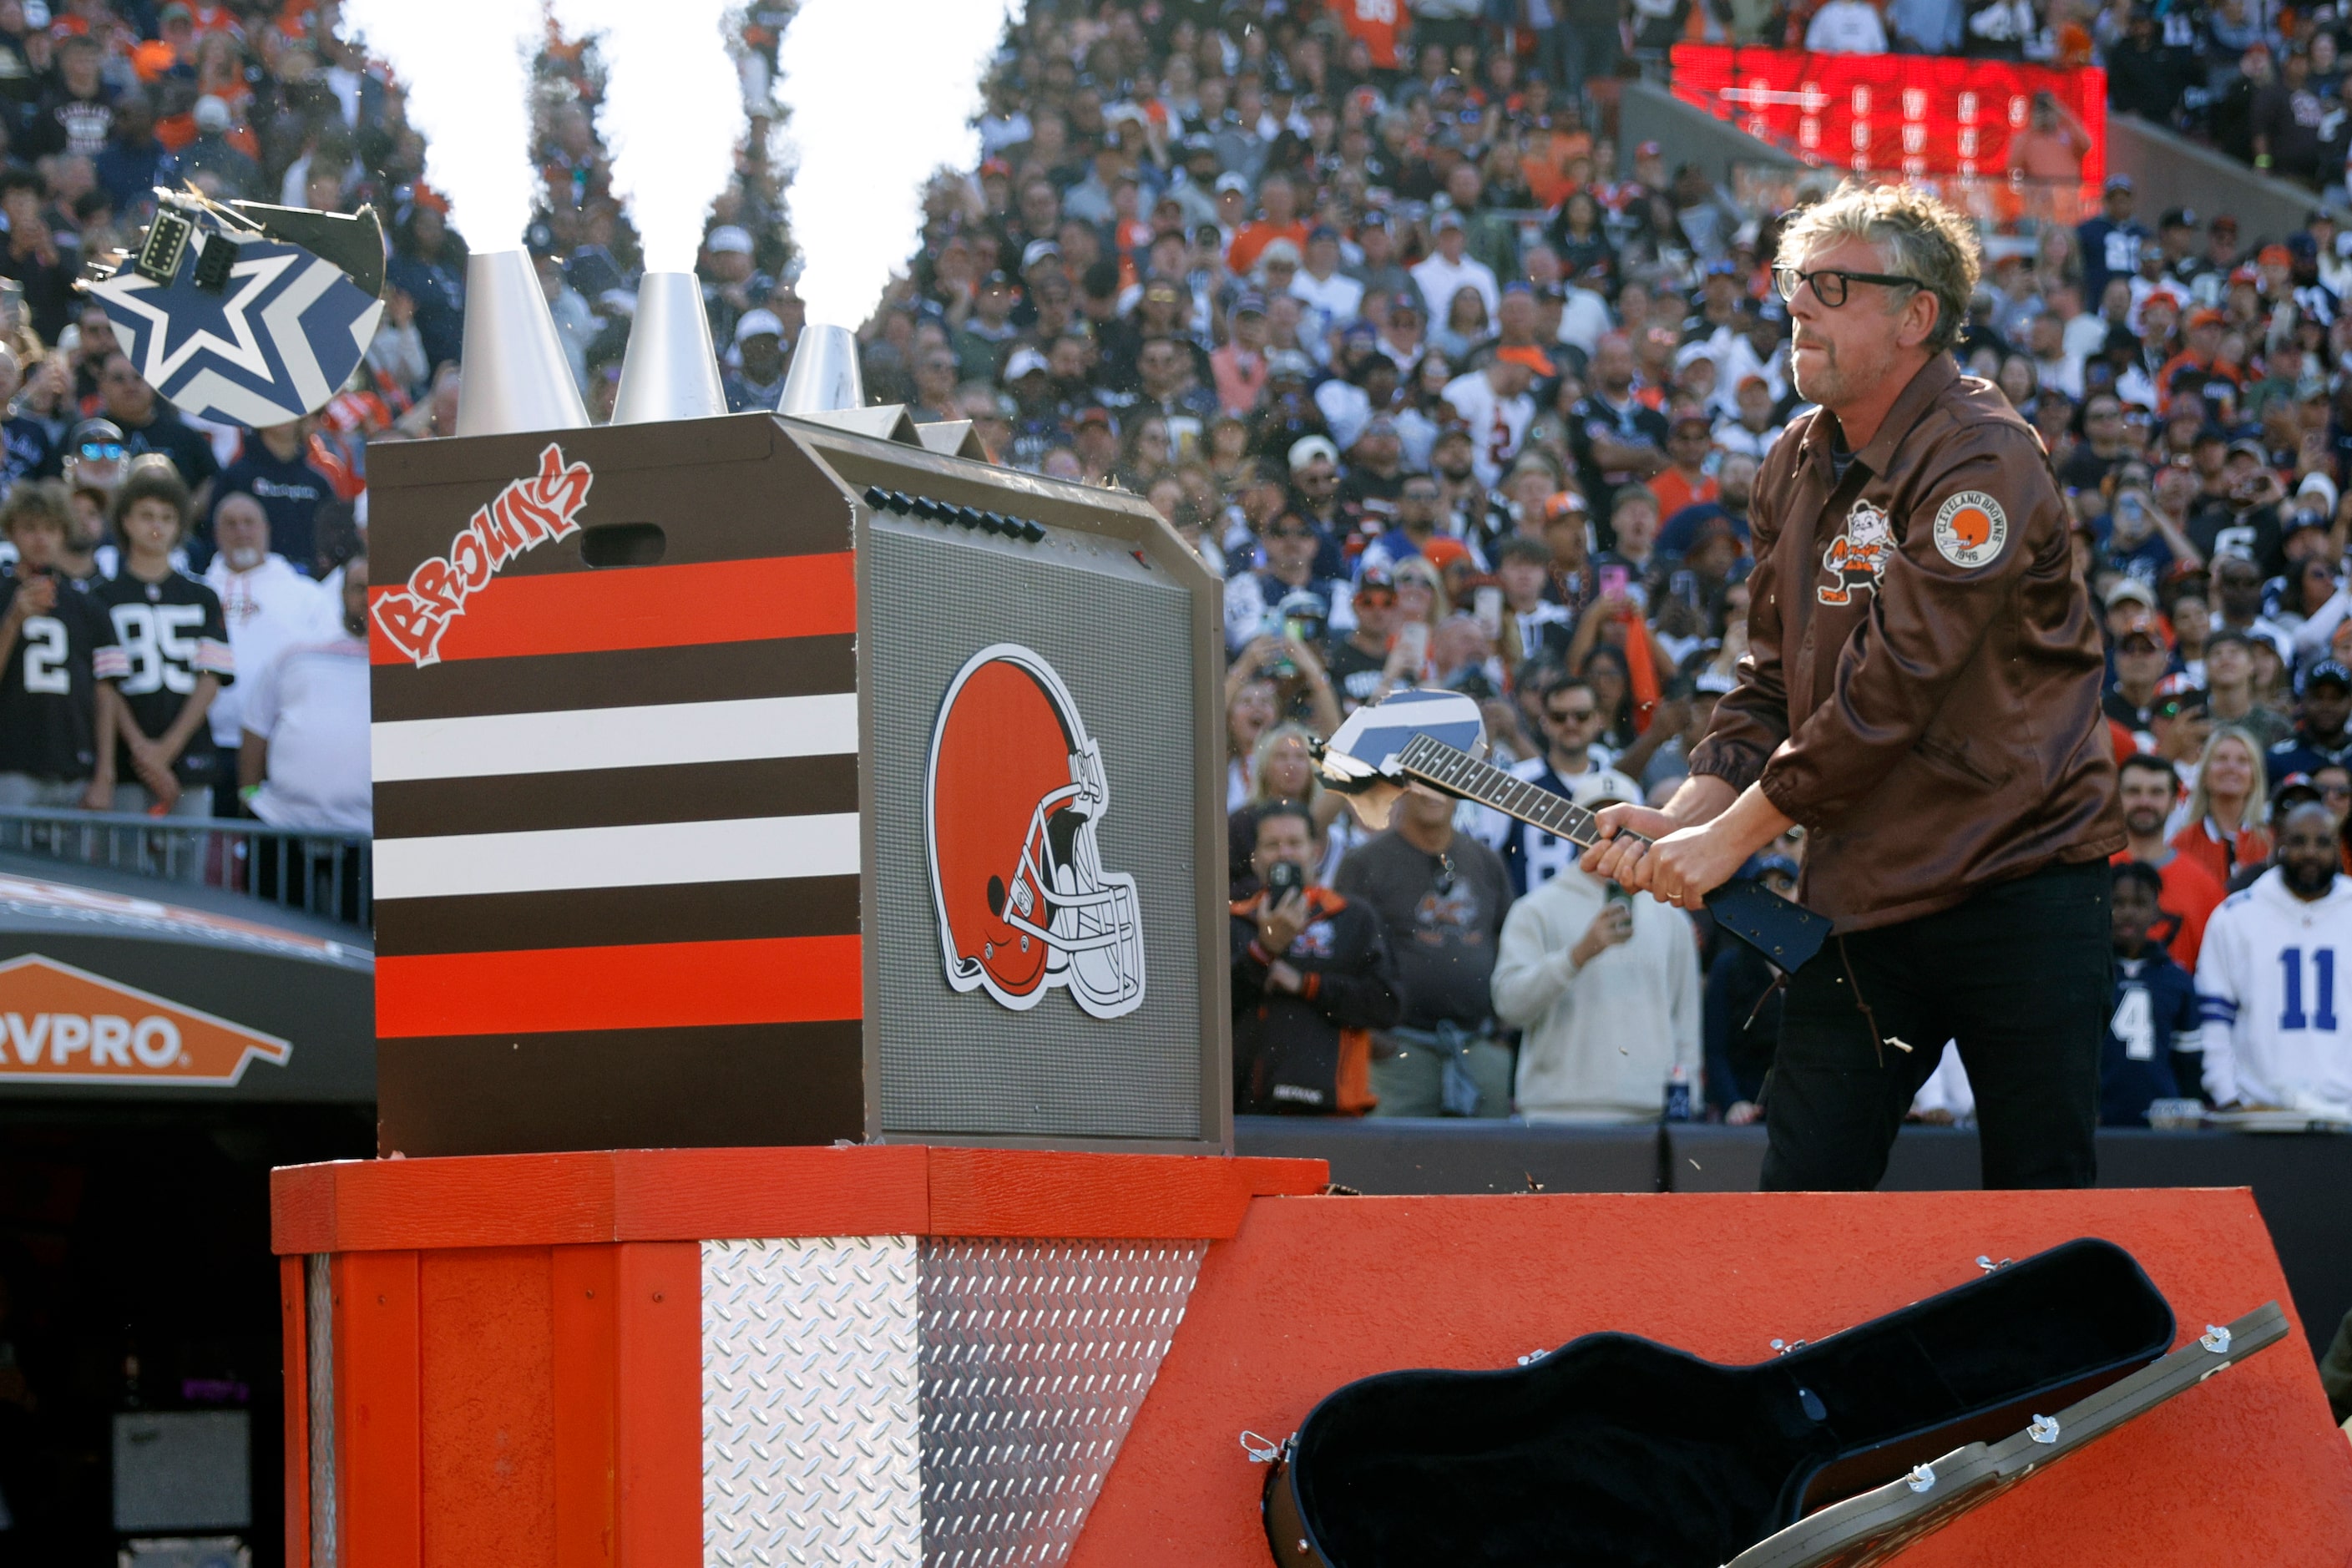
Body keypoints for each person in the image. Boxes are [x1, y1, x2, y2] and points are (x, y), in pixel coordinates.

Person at [1586, 183, 2121, 1192]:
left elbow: (1894, 690)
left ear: (1917, 313)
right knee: (1802, 1204)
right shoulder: (1793, 459)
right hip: (1862, 900)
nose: (1798, 304)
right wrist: (1686, 813)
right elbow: (1766, 687)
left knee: (2039, 1207)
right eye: (1793, 281)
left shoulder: (1982, 455)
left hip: (2023, 884)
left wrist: (1729, 842)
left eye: (1831, 285)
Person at [1335, 787, 1516, 1117]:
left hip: (1477, 1046)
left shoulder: (1486, 861)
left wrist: (1501, 1034)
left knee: (1493, 1164)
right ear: (1401, 787)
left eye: (1443, 783)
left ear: (1461, 791)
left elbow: (1512, 946)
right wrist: (1373, 1038)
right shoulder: (1364, 863)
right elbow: (1340, 954)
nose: (1432, 793)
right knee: (1389, 1163)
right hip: (1398, 1054)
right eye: (1421, 782)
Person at [1492, 856, 1702, 1124]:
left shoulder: (1671, 916)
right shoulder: (1536, 909)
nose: (1611, 831)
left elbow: (1686, 1022)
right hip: (1554, 1113)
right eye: (1599, 818)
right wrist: (1577, 955)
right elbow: (1509, 1007)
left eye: (1623, 821)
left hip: (1650, 1113)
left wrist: (1688, 1100)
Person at [1230, 802, 1404, 1115]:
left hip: (1332, 1108)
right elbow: (1214, 1009)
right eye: (1272, 845)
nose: (1284, 854)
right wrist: (1262, 951)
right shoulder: (1234, 920)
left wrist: (1306, 984)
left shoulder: (1353, 917)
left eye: (1295, 843)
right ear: (1255, 858)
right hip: (1245, 1112)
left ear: (1316, 851)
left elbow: (1386, 1005)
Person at [90, 463, 232, 822]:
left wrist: (167, 748)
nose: (157, 526)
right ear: (125, 520)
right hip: (126, 761)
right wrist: (142, 750)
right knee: (122, 872)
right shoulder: (102, 597)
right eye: (147, 515)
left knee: (188, 872)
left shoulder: (203, 596)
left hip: (191, 754)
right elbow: (106, 683)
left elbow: (212, 678)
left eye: (168, 517)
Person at [2196, 802, 2352, 1116]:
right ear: (2278, 843)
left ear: (2338, 848)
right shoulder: (2236, 916)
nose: (2310, 852)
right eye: (2298, 841)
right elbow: (2215, 1019)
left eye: (2322, 842)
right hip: (2260, 1113)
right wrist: (2228, 1095)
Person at [240, 555, 370, 915]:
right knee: (273, 936)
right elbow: (256, 725)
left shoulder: (407, 664)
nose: (369, 597)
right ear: (342, 593)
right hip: (283, 825)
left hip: (365, 834)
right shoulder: (296, 652)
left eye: (379, 588)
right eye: (360, 588)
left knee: (361, 948)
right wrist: (249, 797)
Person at [204, 493, 329, 815]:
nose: (241, 531)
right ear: (216, 533)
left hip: (276, 746)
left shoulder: (306, 596)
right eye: (230, 524)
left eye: (249, 523)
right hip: (205, 743)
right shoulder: (197, 589)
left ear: (266, 529)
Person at [0, 483, 114, 809]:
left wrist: (104, 776)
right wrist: (13, 619)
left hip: (75, 767)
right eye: (30, 528)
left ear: (64, 533)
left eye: (50, 528)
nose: (41, 538)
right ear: (11, 532)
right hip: (10, 765)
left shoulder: (89, 607)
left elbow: (106, 694)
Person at [1478, 675, 1642, 895]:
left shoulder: (1622, 789)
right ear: (1544, 722)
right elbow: (1487, 857)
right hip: (1534, 923)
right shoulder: (1515, 782)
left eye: (1581, 716)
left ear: (1598, 719)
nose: (1570, 724)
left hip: (1605, 914)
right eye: (1559, 717)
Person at [2102, 860, 2205, 1126]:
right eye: (2118, 903)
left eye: (2139, 904)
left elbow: (2189, 1062)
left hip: (2160, 1123)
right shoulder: (2089, 975)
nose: (2128, 913)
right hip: (2100, 1119)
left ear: (2157, 911)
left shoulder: (2176, 979)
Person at [2113, 751, 2228, 971]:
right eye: (2133, 791)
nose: (2144, 802)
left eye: (2156, 792)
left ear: (2174, 801)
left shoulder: (2204, 886)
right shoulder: (2094, 873)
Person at [208, 420, 332, 573]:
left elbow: (332, 540)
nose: (284, 416)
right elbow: (213, 535)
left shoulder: (318, 483)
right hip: (248, 580)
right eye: (277, 406)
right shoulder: (234, 477)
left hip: (309, 580)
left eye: (289, 408)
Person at [2170, 726, 2272, 888]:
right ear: (2204, 774)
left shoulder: (2271, 841)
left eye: (2242, 761)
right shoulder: (2182, 844)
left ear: (2254, 777)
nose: (2231, 767)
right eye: (2221, 759)